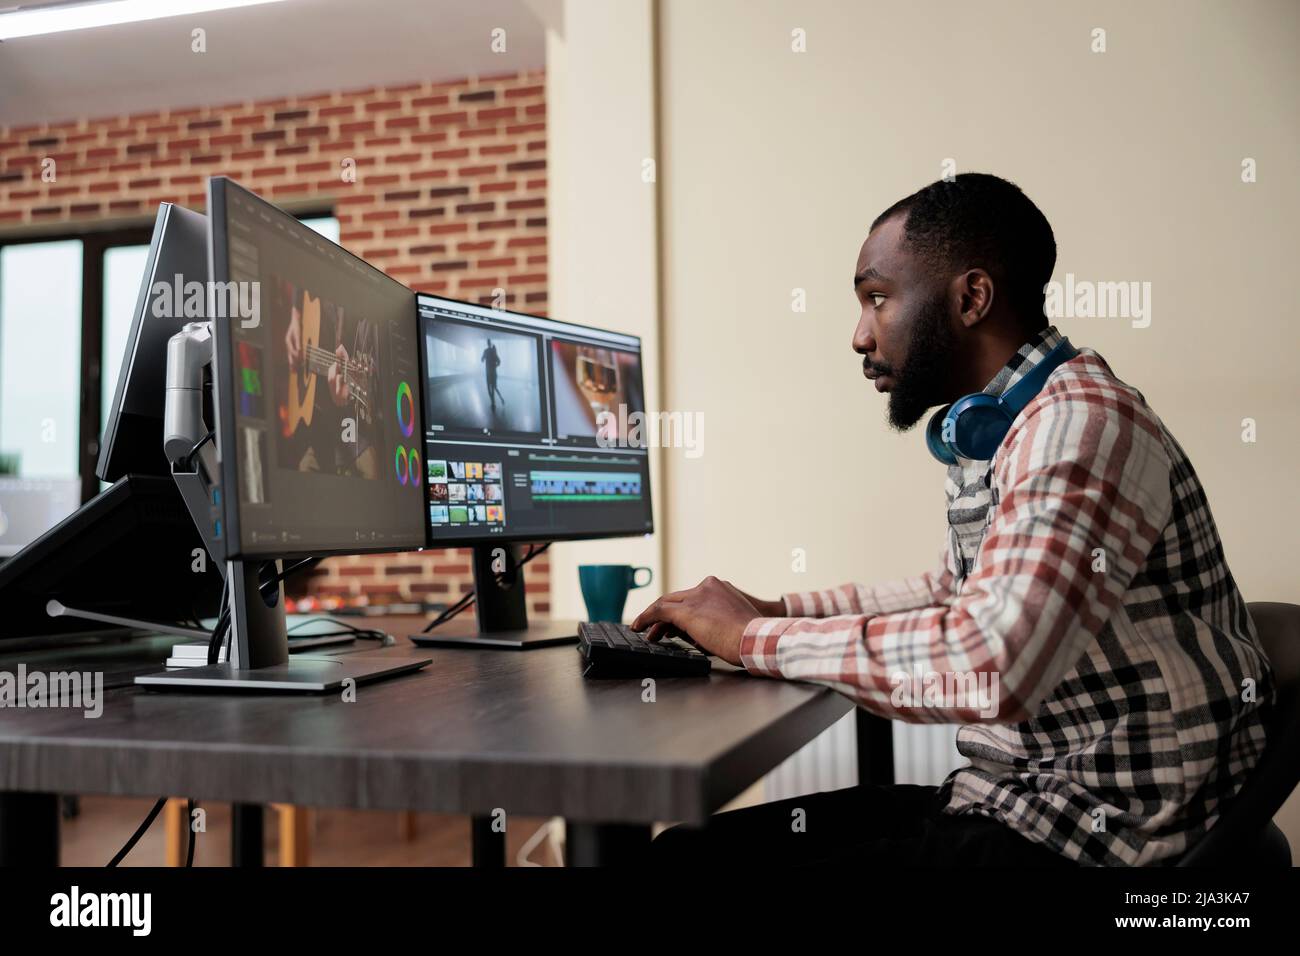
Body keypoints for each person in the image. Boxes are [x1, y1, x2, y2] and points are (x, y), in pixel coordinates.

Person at [634, 173, 1274, 867]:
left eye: (877, 298)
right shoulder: (1018, 423)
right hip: (1019, 799)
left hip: (1087, 837)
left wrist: (756, 637)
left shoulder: (1078, 426)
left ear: (971, 298)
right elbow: (952, 591)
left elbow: (992, 663)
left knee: (680, 864)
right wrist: (779, 609)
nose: (859, 335)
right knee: (688, 850)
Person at [482, 337, 504, 410]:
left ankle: (493, 402)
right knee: (494, 388)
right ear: (490, 343)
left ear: (487, 343)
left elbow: (482, 359)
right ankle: (497, 400)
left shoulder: (486, 351)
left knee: (490, 388)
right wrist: (495, 366)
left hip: (489, 373)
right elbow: (499, 362)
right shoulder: (493, 352)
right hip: (493, 373)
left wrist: (484, 359)